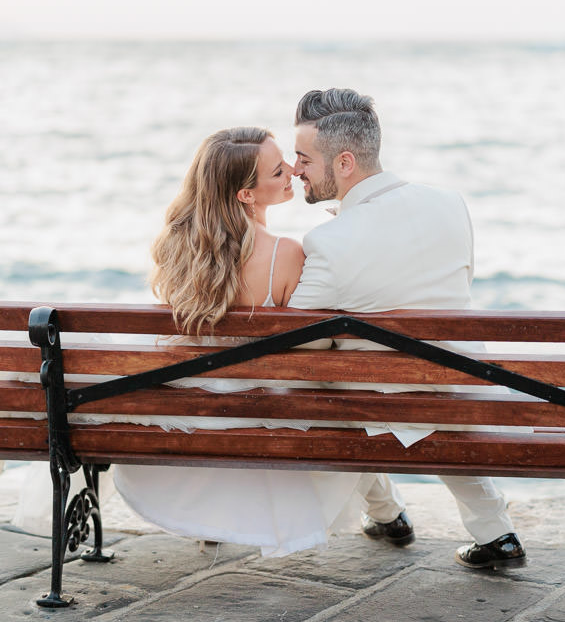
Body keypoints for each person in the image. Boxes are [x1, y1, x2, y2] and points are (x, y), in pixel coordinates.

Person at [287, 88, 527, 570]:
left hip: (385, 396)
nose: (296, 170)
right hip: (462, 381)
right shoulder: (449, 203)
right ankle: (491, 530)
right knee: (410, 390)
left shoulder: (330, 242)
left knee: (327, 382)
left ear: (345, 162)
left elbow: (300, 341)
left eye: (303, 158)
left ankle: (386, 512)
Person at [112, 126, 371, 556]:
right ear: (246, 195)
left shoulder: (180, 250)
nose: (292, 170)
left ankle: (385, 512)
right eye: (276, 170)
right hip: (261, 411)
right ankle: (387, 514)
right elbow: (312, 351)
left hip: (195, 408)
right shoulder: (287, 254)